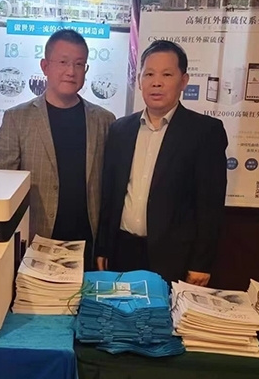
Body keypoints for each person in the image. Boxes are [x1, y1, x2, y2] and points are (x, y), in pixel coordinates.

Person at [95, 40, 228, 286]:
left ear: (183, 81)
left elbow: (210, 204)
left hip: (174, 258)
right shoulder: (120, 130)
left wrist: (201, 263)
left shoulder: (205, 132)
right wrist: (103, 246)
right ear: (140, 81)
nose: (156, 82)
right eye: (149, 74)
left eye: (167, 74)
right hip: (122, 250)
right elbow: (110, 195)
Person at [0, 29, 115, 269]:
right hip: (35, 242)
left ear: (86, 70)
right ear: (45, 66)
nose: (71, 71)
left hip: (87, 245)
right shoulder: (17, 118)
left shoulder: (104, 120)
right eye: (63, 62)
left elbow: (110, 189)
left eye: (79, 64)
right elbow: (3, 186)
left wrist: (105, 245)